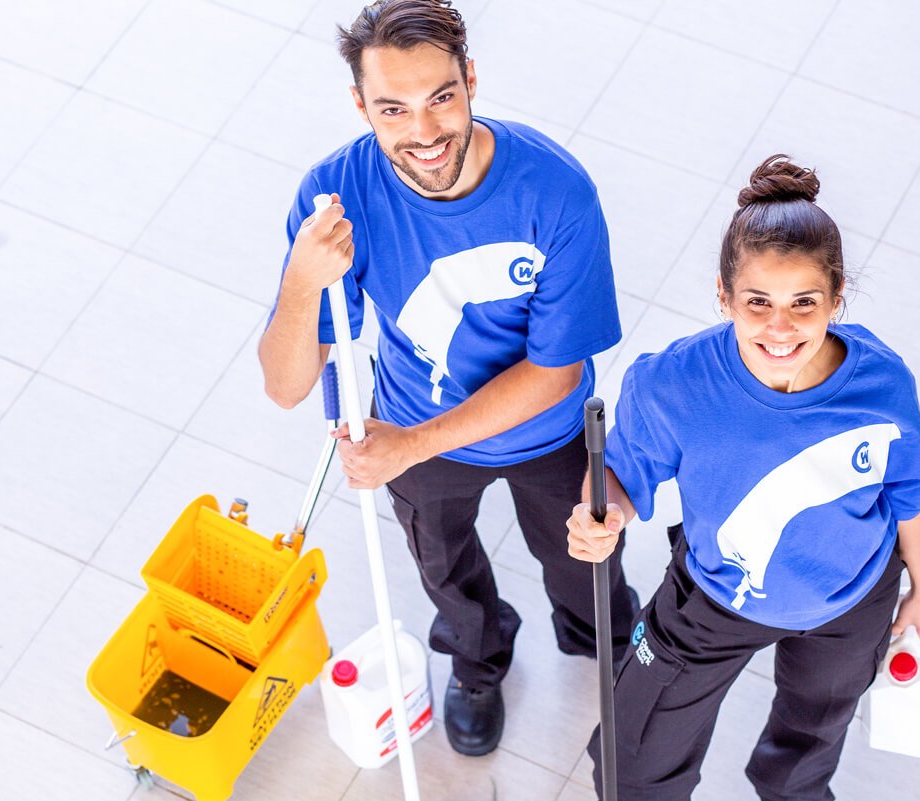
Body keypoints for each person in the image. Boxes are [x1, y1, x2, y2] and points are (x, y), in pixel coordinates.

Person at [259, 0, 639, 757]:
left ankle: (601, 637)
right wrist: (303, 281)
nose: (425, 132)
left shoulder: (555, 191)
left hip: (545, 430)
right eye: (393, 109)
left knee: (583, 562)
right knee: (445, 571)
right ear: (360, 106)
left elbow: (555, 372)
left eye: (441, 97)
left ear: (470, 78)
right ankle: (478, 658)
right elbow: (285, 386)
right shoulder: (335, 195)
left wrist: (410, 446)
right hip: (413, 423)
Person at [566, 155, 920, 801]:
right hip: (717, 591)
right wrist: (604, 515)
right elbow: (620, 478)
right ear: (724, 295)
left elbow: (909, 496)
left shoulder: (881, 385)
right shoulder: (672, 383)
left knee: (811, 743)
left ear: (837, 297)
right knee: (633, 762)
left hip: (850, 598)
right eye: (758, 302)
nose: (780, 327)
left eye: (804, 303)